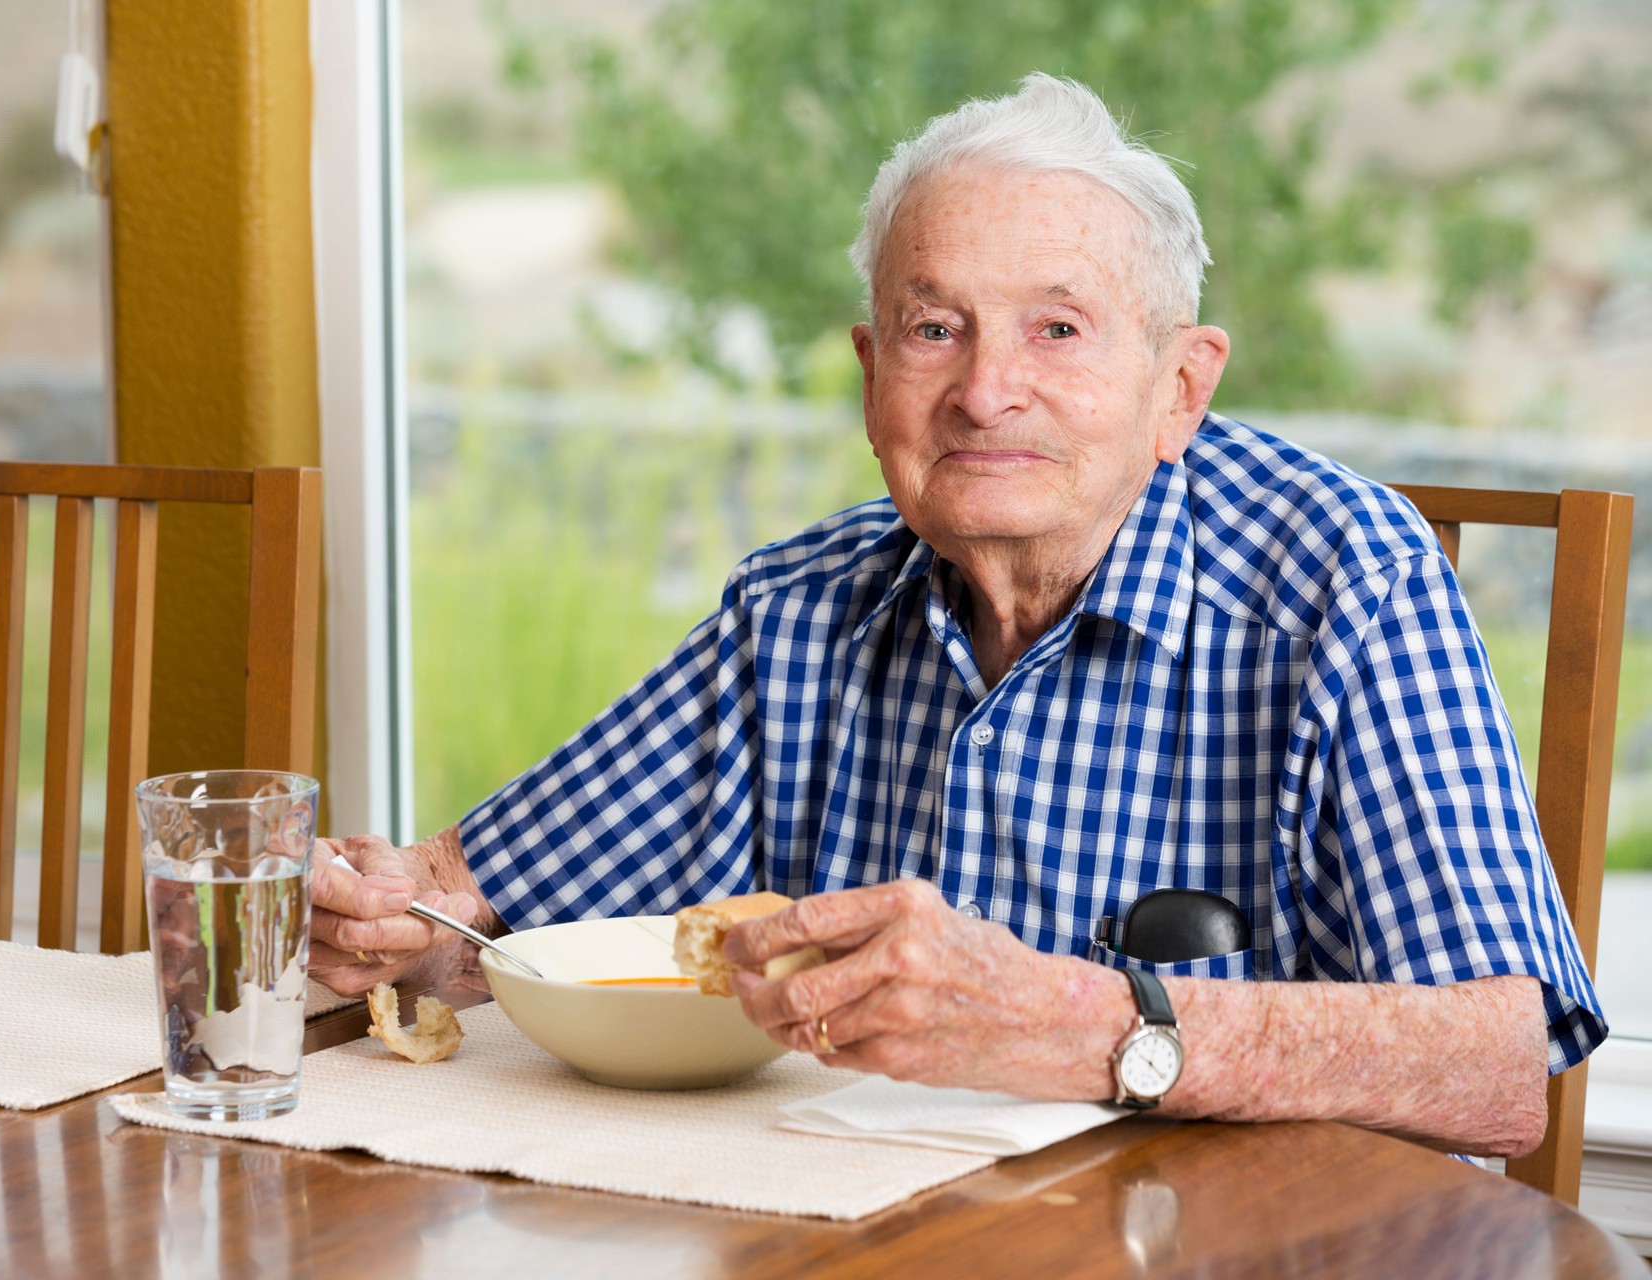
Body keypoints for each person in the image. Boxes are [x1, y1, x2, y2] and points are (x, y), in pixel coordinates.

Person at [307, 73, 1602, 1158]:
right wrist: (385, 915)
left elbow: (1498, 1065)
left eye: (1057, 328)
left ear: (1178, 388)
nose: (987, 392)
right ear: (874, 377)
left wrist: (1090, 1023)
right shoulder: (800, 609)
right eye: (936, 328)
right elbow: (481, 917)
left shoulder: (1346, 581)